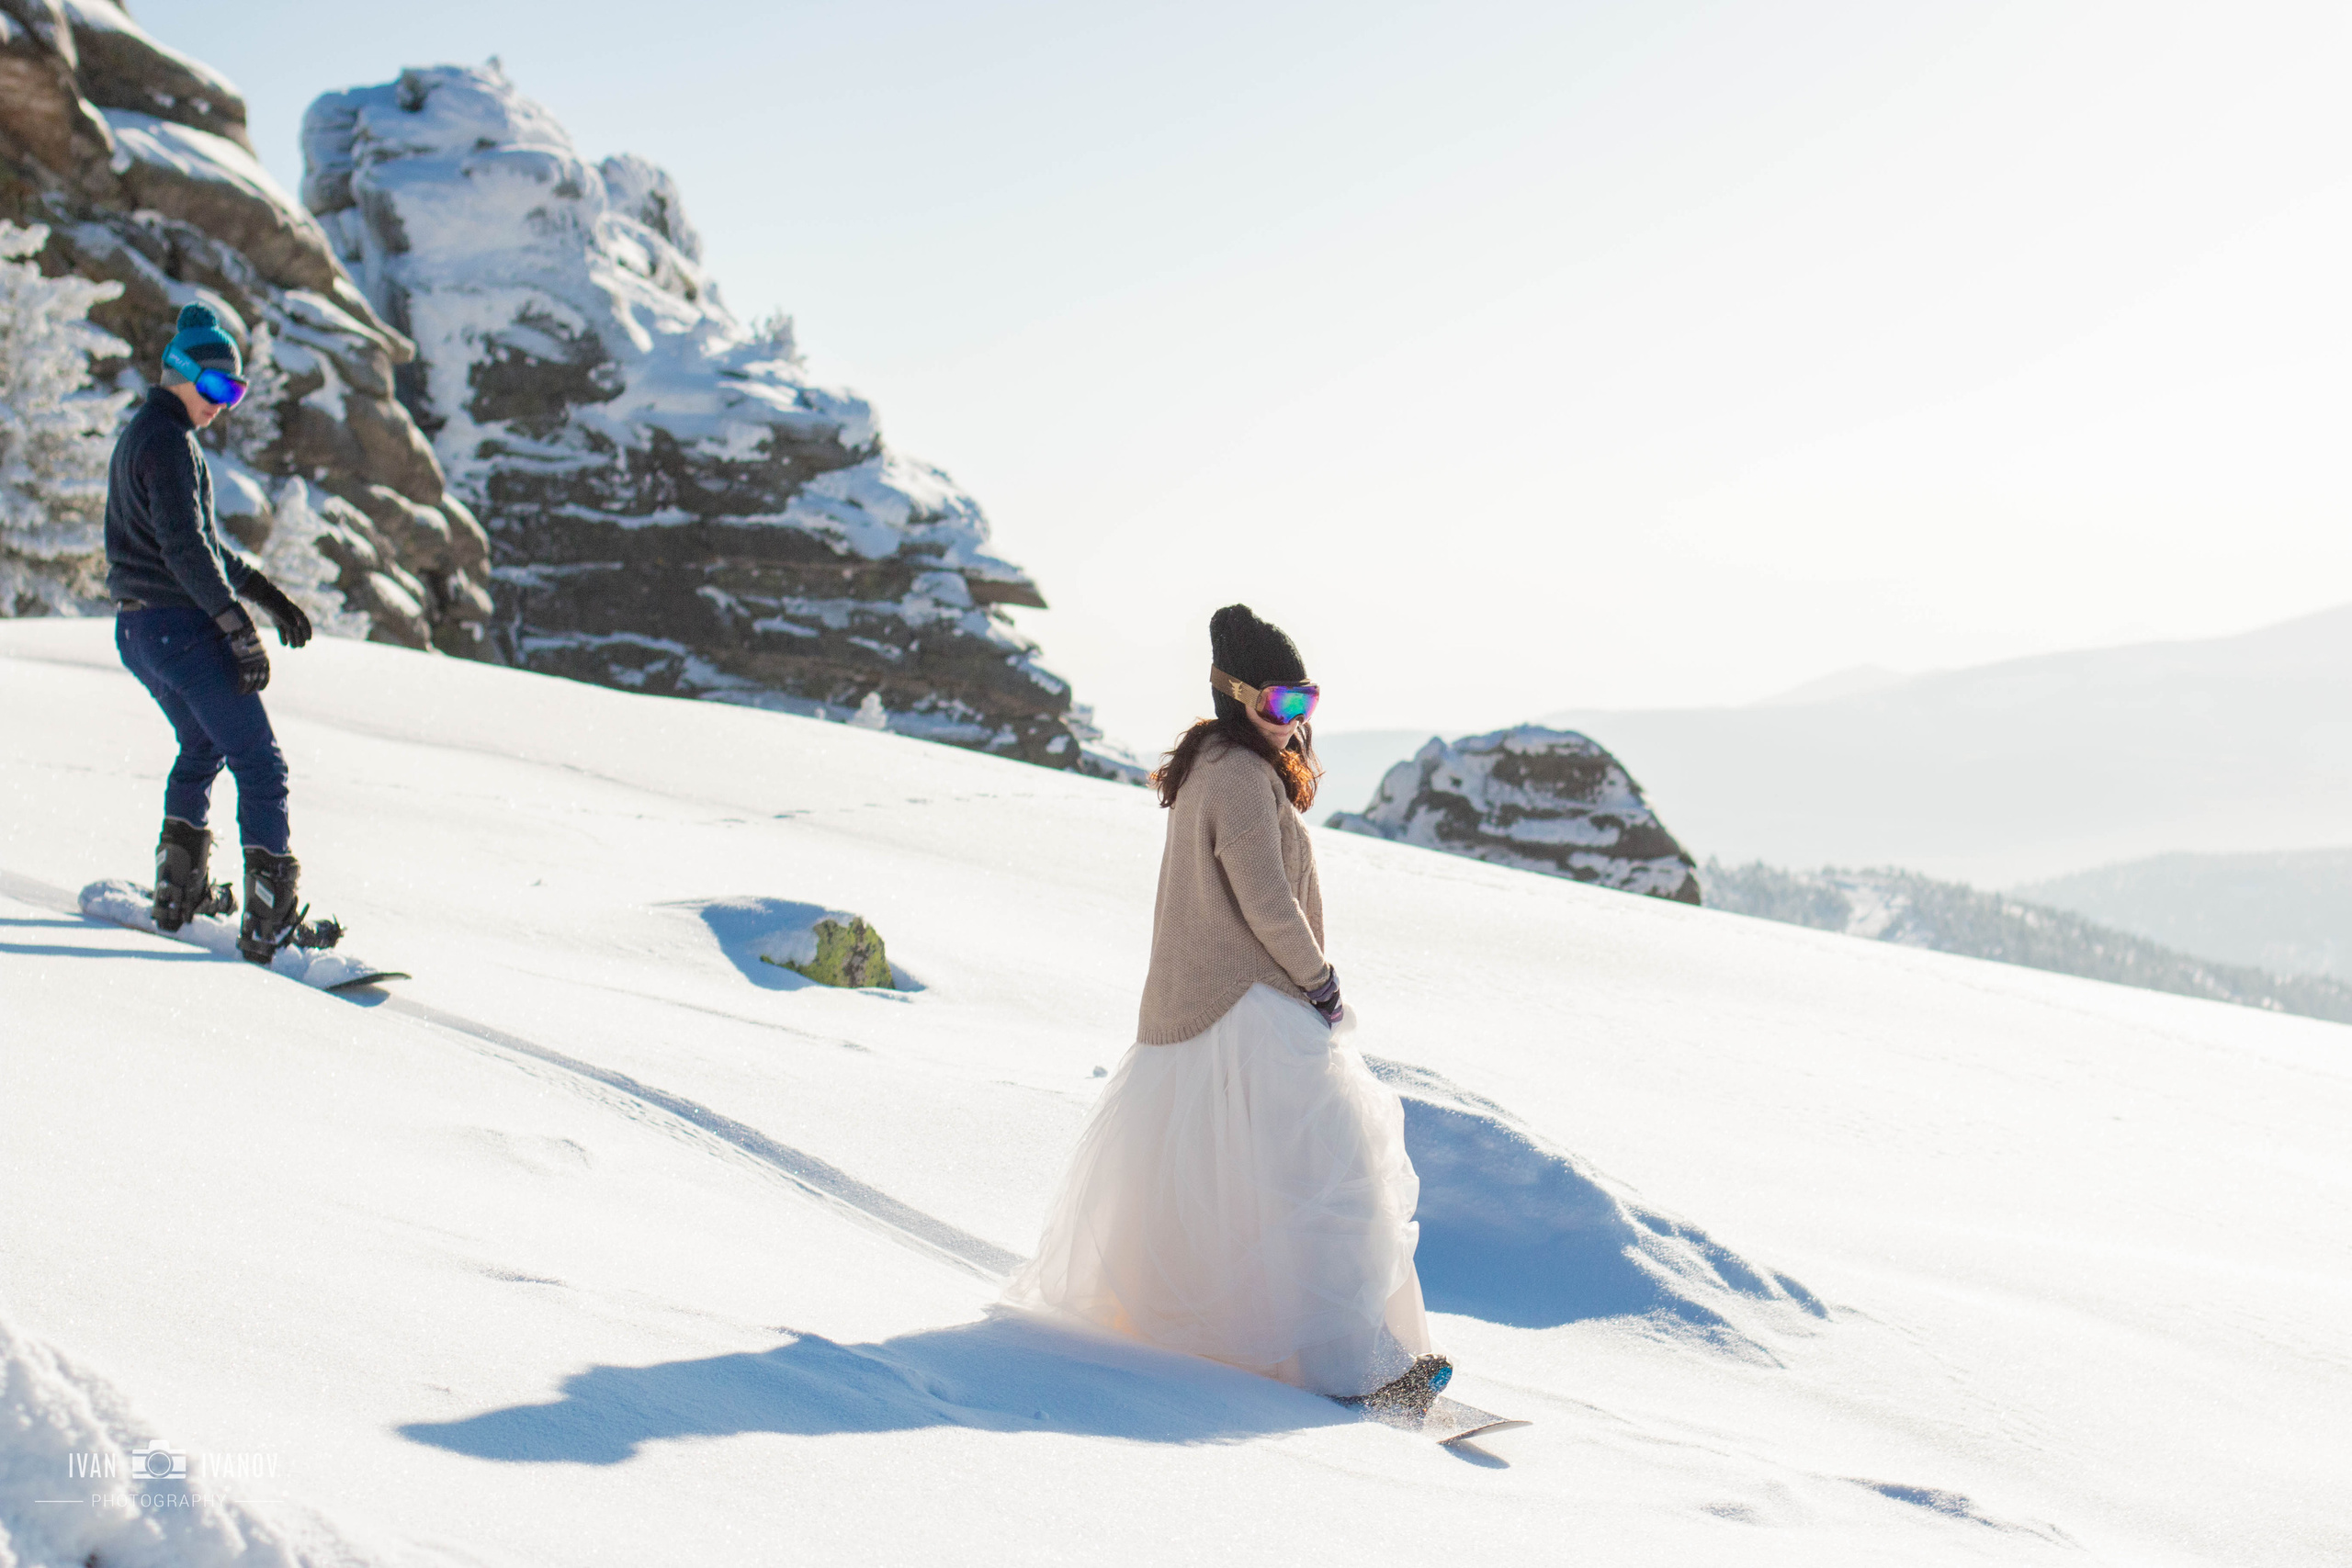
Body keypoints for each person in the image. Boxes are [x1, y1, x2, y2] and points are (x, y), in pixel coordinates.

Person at [1008, 604, 1452, 1418]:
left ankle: (1332, 1360)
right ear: (1236, 696)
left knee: (1242, 1200)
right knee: (1330, 1179)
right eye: (1282, 705)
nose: (1296, 724)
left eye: (1306, 703)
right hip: (1250, 1012)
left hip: (1202, 1015)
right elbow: (1268, 903)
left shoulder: (1212, 766)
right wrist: (1322, 982)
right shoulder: (1241, 778)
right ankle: (1356, 1369)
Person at [106, 301, 323, 962]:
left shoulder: (153, 435)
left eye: (235, 391)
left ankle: (180, 892)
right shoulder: (168, 443)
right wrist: (235, 626)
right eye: (214, 388)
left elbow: (201, 545)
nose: (222, 404)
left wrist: (267, 596)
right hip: (178, 626)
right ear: (178, 371)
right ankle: (270, 923)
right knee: (261, 762)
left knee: (202, 745)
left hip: (140, 630)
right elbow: (184, 550)